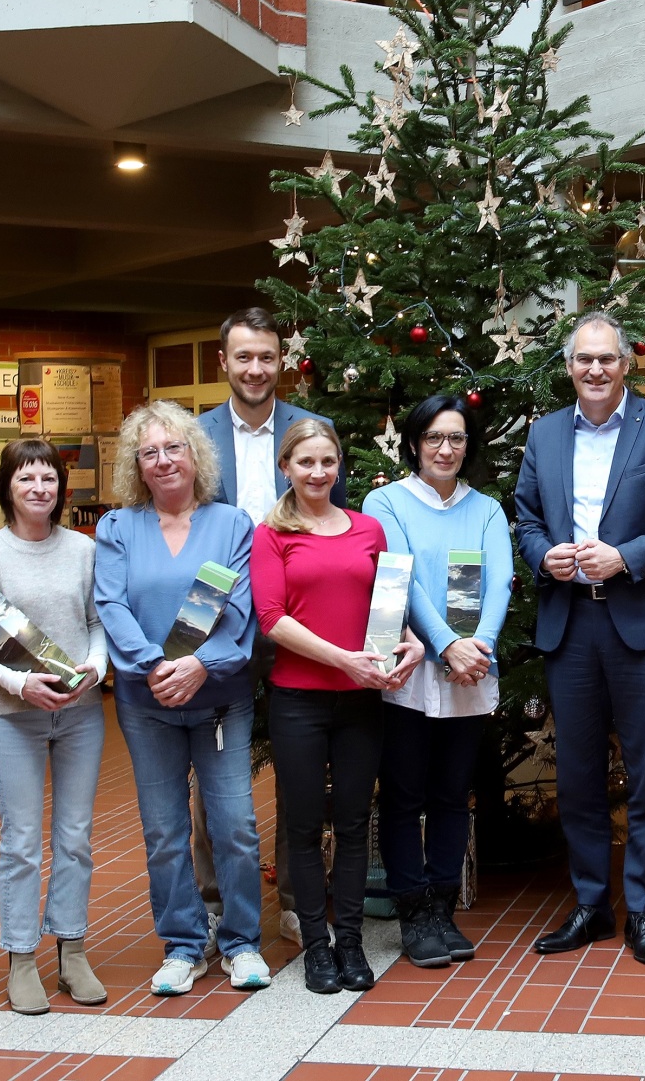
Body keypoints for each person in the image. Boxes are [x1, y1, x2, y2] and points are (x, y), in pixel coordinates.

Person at [515, 310, 645, 968]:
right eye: (582, 359)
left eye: (606, 359)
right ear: (568, 367)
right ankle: (593, 903)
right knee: (576, 774)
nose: (594, 369)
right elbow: (526, 517)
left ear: (626, 363)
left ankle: (643, 907)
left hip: (640, 623)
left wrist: (624, 556)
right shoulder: (543, 434)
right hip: (571, 624)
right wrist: (545, 556)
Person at [95, 401, 270, 996]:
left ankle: (242, 942)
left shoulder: (233, 525)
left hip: (219, 697)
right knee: (164, 830)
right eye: (150, 452)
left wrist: (200, 664)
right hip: (148, 703)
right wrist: (156, 666)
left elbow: (241, 609)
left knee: (235, 825)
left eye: (175, 448)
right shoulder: (117, 527)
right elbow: (111, 605)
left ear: (197, 456)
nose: (164, 460)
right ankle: (183, 944)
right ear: (136, 467)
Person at [252, 419, 423, 993]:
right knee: (302, 825)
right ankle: (316, 947)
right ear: (287, 469)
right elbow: (272, 618)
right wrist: (342, 659)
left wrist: (412, 640)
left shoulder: (368, 529)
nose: (318, 472)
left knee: (353, 823)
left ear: (339, 466)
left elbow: (389, 605)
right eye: (306, 463)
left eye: (328, 462)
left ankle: (349, 941)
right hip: (299, 699)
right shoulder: (271, 534)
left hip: (360, 701)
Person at [196, 307, 342, 947]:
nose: (256, 369)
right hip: (217, 619)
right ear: (223, 362)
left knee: (298, 760)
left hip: (295, 625)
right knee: (211, 759)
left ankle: (294, 895)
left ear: (283, 361)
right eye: (243, 357)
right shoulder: (193, 435)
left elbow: (328, 520)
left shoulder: (314, 431)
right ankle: (210, 896)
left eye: (267, 357)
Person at [360, 394, 513, 969]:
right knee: (404, 797)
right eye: (434, 438)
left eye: (456, 439)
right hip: (410, 672)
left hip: (471, 672)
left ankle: (442, 908)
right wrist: (448, 645)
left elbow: (497, 583)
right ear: (414, 444)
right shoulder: (387, 502)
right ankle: (412, 913)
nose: (445, 449)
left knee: (452, 795)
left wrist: (479, 648)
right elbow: (403, 583)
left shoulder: (488, 510)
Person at [0, 438, 112, 1014]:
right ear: (7, 486)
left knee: (75, 837)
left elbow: (97, 622)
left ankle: (72, 951)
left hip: (79, 716)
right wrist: (18, 684)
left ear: (60, 488)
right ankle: (21, 957)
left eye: (48, 478)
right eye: (26, 478)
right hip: (15, 718)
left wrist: (95, 670)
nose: (39, 489)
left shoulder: (83, 550)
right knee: (22, 843)